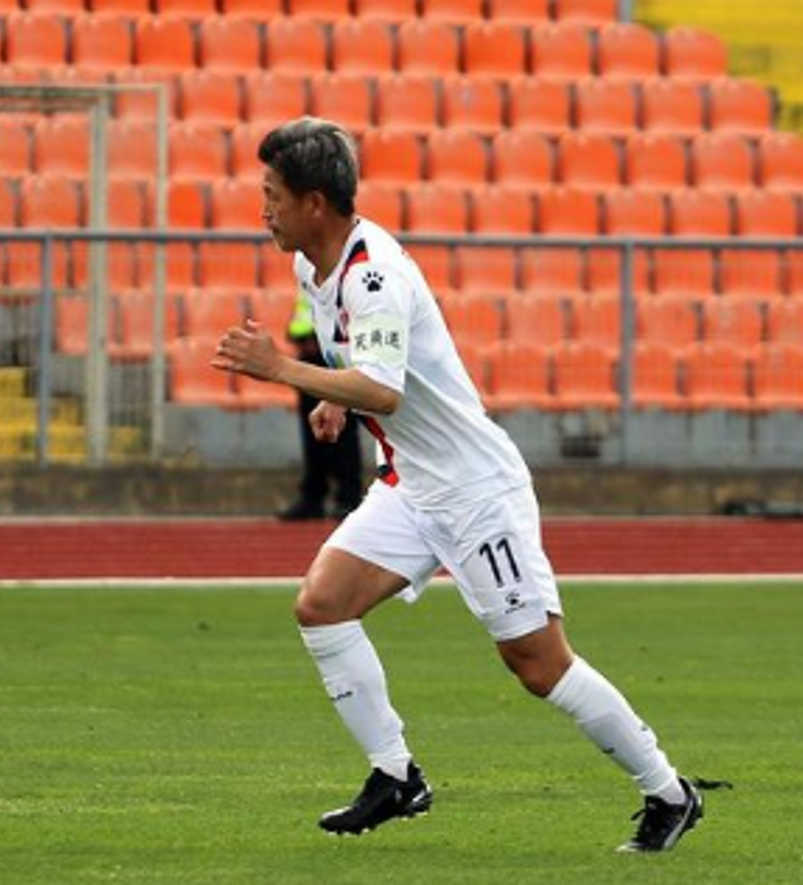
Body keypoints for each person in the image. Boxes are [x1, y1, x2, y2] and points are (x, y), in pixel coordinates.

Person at [211, 117, 703, 853]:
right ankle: (396, 775)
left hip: (475, 490)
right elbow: (374, 375)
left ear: (314, 202)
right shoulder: (314, 265)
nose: (263, 209)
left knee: (538, 664)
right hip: (412, 484)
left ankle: (668, 790)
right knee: (322, 605)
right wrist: (332, 396)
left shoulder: (372, 273)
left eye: (272, 194)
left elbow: (386, 391)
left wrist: (283, 369)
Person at [277, 288, 364, 521]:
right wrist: (299, 336)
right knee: (313, 429)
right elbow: (305, 309)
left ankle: (348, 496)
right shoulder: (306, 264)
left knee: (343, 429)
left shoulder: (344, 265)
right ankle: (314, 495)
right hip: (311, 346)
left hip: (333, 350)